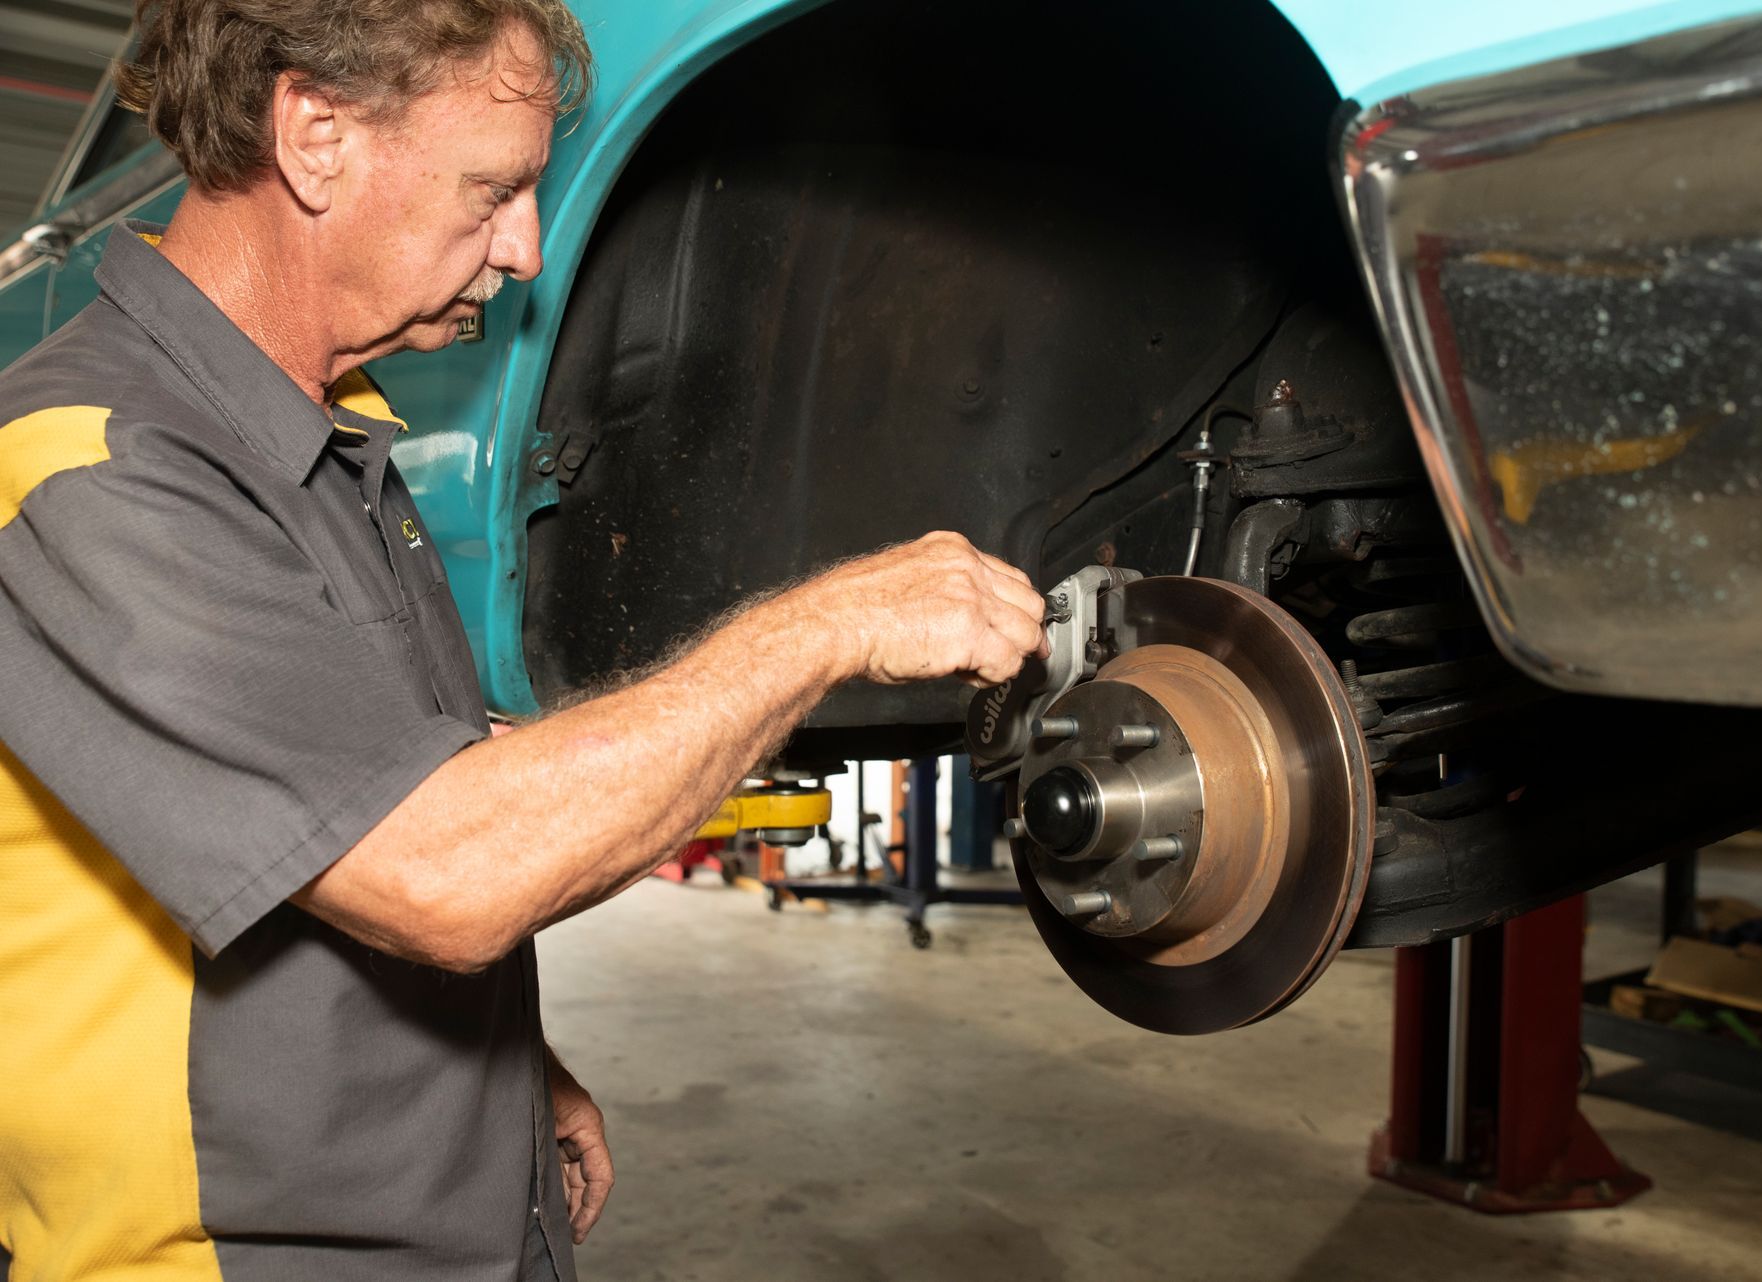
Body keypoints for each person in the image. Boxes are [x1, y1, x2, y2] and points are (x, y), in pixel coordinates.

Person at [0, 1, 1046, 1278]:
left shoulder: (326, 437)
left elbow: (359, 799)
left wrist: (499, 1072)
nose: (527, 248)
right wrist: (829, 624)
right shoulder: (88, 466)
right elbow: (440, 870)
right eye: (493, 189)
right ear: (316, 135)